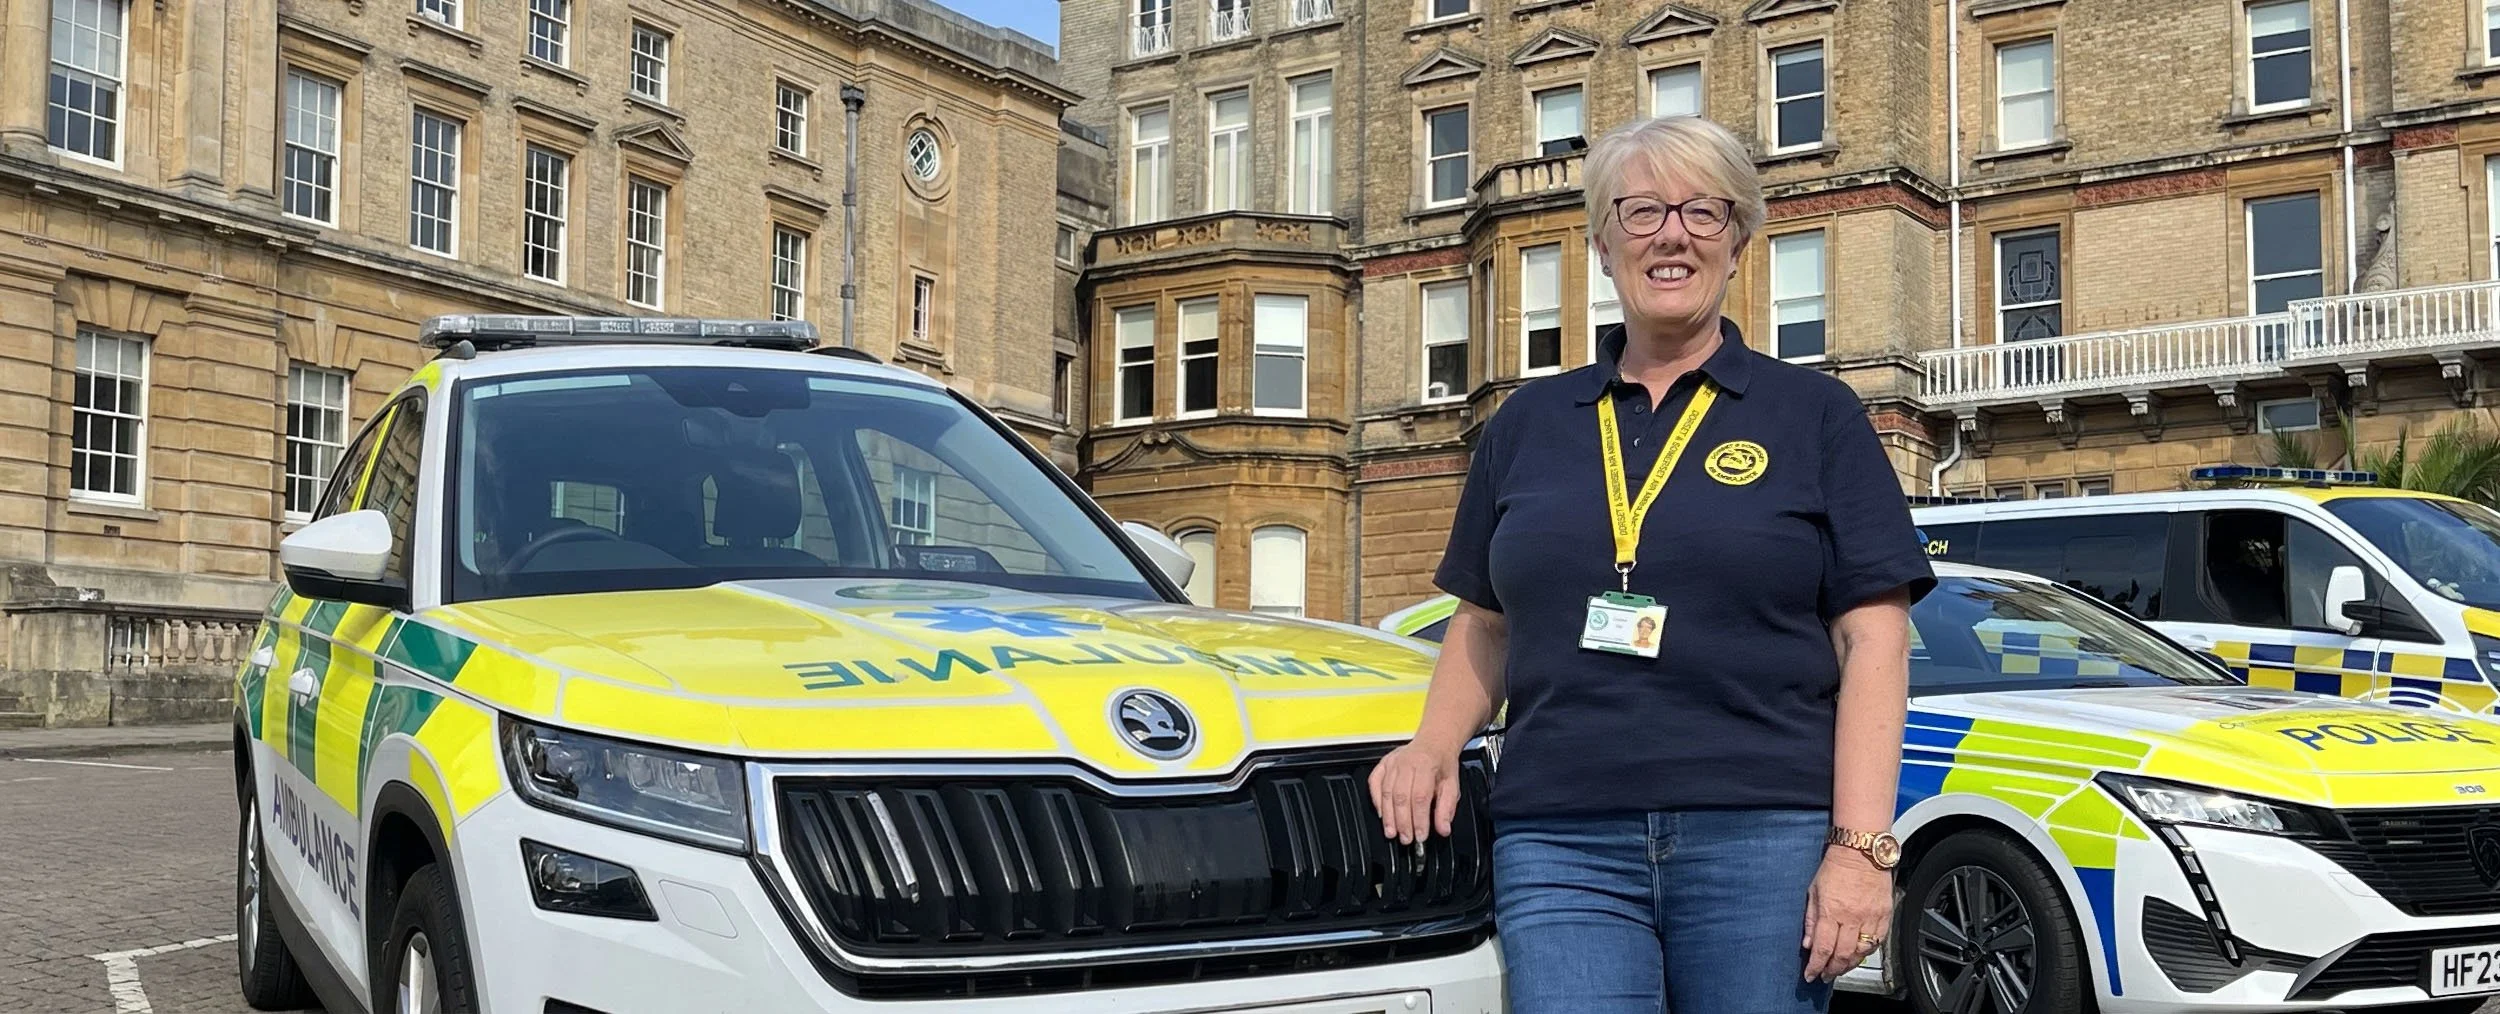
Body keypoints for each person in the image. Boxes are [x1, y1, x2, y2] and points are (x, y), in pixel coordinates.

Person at [1368, 114, 1935, 1014]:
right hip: (1560, 842)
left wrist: (1861, 851)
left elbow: (1875, 644)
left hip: (1761, 837)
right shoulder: (1527, 424)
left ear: (1739, 242)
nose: (1671, 234)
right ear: (1600, 244)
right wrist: (1433, 746)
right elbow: (1484, 622)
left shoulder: (1815, 416)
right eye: (1640, 212)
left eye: (1703, 212)